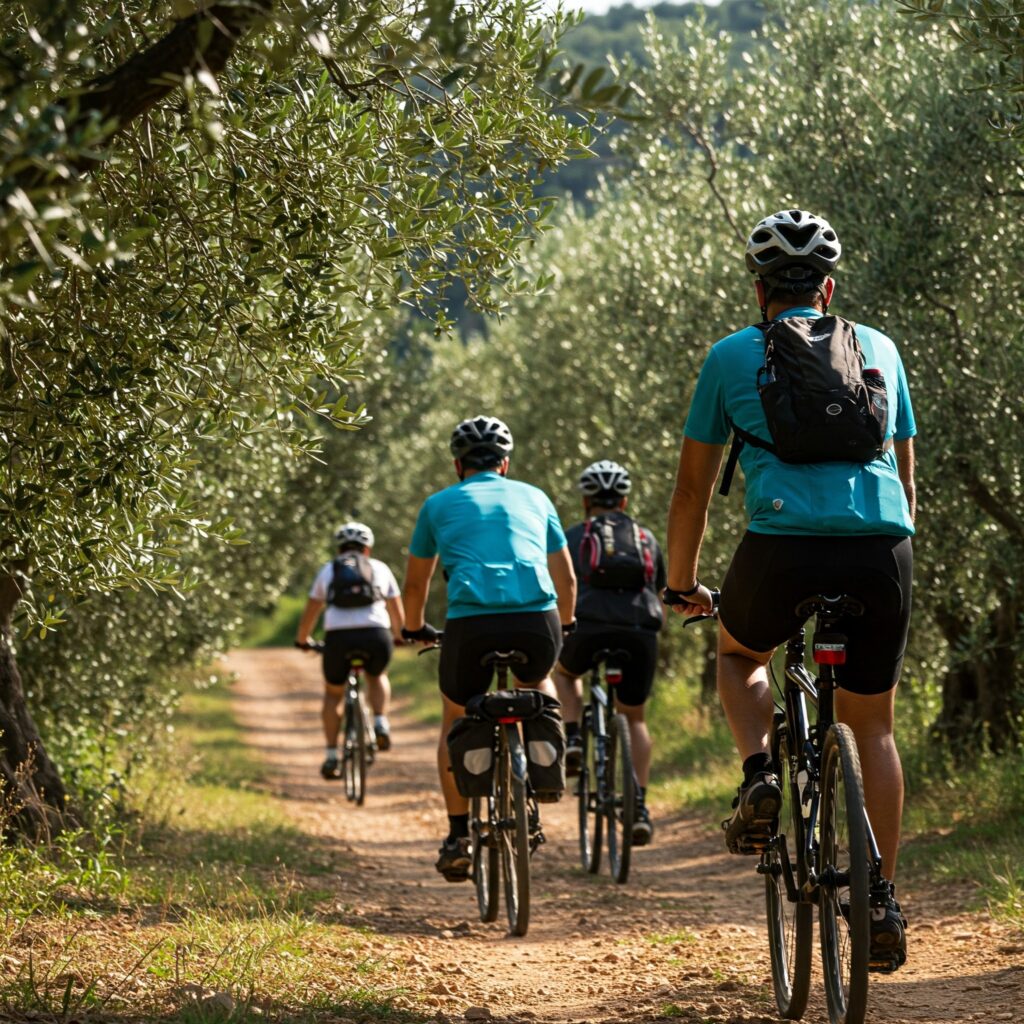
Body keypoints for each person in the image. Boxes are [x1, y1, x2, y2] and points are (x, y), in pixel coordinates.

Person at [664, 209, 916, 971]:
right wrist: (894, 555)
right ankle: (880, 900)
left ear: (759, 291)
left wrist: (682, 587)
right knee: (872, 728)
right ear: (829, 288)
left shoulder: (729, 356)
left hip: (781, 550)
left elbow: (691, 492)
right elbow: (905, 478)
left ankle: (760, 775)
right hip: (881, 549)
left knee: (739, 652)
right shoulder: (881, 348)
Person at [401, 416, 577, 882]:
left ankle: (458, 835)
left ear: (458, 465)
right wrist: (567, 622)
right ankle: (544, 756)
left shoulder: (437, 504)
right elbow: (567, 578)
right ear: (505, 464)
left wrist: (414, 627)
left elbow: (416, 581)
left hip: (470, 623)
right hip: (535, 622)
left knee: (455, 714)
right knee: (538, 680)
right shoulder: (536, 496)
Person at [553, 460, 666, 846]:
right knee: (634, 717)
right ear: (625, 500)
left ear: (587, 502)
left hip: (587, 626)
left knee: (565, 675)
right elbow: (662, 590)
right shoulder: (645, 537)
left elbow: (558, 585)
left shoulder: (571, 536)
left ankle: (571, 738)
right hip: (639, 631)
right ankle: (639, 805)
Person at [296, 522, 405, 779]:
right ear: (367, 549)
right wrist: (400, 636)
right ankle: (380, 722)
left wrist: (303, 640)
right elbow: (395, 607)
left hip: (338, 639)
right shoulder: (380, 568)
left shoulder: (328, 570)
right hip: (375, 635)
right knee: (377, 676)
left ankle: (332, 755)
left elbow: (313, 607)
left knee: (333, 694)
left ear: (339, 548)